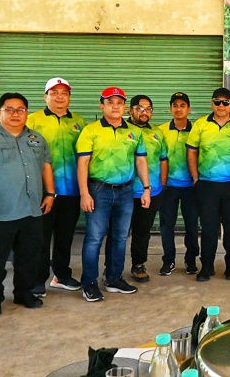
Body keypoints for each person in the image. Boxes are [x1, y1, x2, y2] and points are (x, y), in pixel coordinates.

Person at [0, 93, 55, 316]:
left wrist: (50, 193)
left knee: (29, 256)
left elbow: (46, 165)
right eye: (9, 109)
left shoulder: (36, 139)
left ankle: (24, 293)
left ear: (26, 113)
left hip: (31, 210)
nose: (16, 114)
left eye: (20, 109)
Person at [76, 87, 151, 302]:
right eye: (110, 102)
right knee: (94, 238)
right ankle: (89, 283)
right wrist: (84, 193)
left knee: (120, 237)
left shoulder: (134, 132)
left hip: (126, 191)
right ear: (102, 106)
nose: (115, 106)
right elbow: (83, 163)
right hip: (98, 190)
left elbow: (140, 161)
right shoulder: (90, 130)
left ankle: (113, 278)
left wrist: (146, 188)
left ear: (125, 107)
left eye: (119, 103)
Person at [25, 78, 86, 296]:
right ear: (45, 97)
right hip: (42, 190)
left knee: (65, 235)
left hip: (71, 189)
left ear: (69, 97)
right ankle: (37, 279)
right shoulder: (32, 120)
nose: (59, 97)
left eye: (64, 93)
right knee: (40, 236)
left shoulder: (79, 122)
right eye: (54, 92)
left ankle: (61, 275)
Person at [187, 88, 230, 282]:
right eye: (217, 102)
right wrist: (195, 177)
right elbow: (192, 152)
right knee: (208, 228)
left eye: (225, 102)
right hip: (207, 185)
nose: (221, 106)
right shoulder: (200, 124)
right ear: (211, 103)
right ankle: (207, 267)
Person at [124, 95, 167, 283]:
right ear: (130, 110)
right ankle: (112, 269)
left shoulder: (157, 132)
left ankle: (138, 264)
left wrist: (162, 185)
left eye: (148, 109)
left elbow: (163, 159)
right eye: (140, 108)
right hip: (124, 191)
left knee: (142, 231)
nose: (144, 112)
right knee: (118, 232)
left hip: (150, 192)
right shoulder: (122, 129)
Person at [157, 92, 199, 276]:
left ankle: (191, 261)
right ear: (170, 109)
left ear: (189, 109)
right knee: (167, 225)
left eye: (182, 105)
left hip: (191, 186)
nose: (178, 109)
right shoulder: (161, 131)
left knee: (192, 225)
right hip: (168, 186)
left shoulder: (197, 129)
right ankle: (168, 261)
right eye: (175, 105)